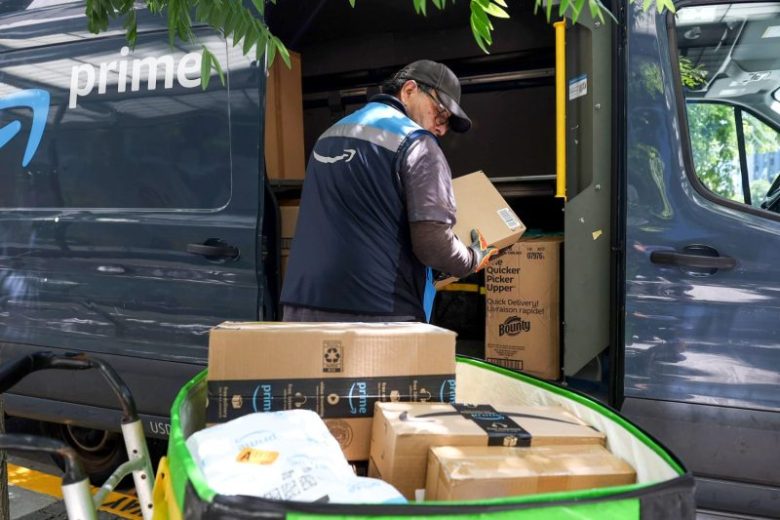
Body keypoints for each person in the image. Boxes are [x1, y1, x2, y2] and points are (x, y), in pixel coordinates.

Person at [281, 59, 497, 323]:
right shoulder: (417, 144)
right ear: (409, 90)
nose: (441, 129)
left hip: (303, 306)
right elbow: (432, 243)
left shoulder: (328, 136)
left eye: (447, 123)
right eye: (440, 114)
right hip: (378, 314)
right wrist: (472, 259)